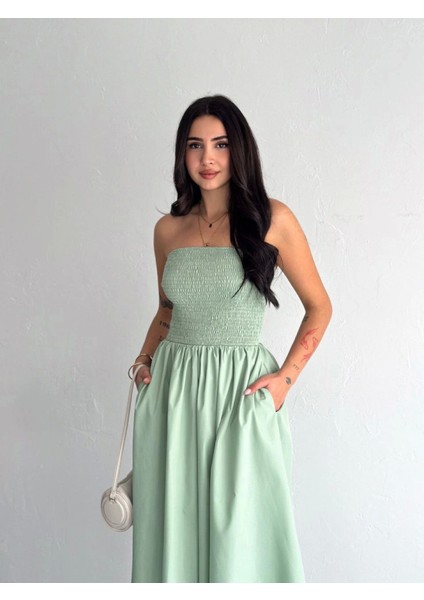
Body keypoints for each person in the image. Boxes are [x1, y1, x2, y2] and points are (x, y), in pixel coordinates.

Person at [129, 94, 332, 583]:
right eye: (195, 145)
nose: (207, 158)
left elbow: (319, 307)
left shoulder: (273, 220)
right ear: (182, 154)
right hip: (173, 395)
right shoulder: (167, 230)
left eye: (220, 144)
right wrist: (142, 360)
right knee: (174, 528)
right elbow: (166, 310)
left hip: (241, 395)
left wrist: (285, 381)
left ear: (239, 149)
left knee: (242, 536)